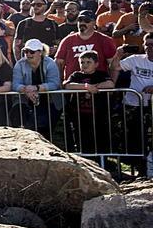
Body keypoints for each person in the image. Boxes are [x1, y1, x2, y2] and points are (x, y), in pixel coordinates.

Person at [110, 33, 153, 174]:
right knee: (132, 138)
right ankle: (137, 169)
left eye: (152, 45)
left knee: (149, 139)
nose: (149, 48)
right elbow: (115, 68)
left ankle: (148, 170)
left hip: (150, 107)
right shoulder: (136, 59)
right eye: (147, 44)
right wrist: (118, 54)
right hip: (132, 106)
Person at [63, 51, 115, 155]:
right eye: (82, 62)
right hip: (79, 115)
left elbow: (110, 84)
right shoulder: (76, 75)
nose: (85, 65)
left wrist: (95, 86)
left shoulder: (101, 74)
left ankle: (102, 161)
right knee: (81, 140)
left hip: (98, 115)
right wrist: (86, 87)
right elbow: (67, 85)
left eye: (88, 62)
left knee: (100, 139)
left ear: (96, 64)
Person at [12, 39, 62, 137]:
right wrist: (26, 89)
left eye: (32, 52)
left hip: (50, 102)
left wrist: (36, 88)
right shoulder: (20, 64)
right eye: (26, 51)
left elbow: (55, 83)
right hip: (28, 101)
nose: (28, 54)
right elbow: (15, 84)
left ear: (40, 52)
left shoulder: (50, 63)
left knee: (46, 129)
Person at [55, 10, 117, 82]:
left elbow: (113, 65)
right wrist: (60, 83)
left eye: (86, 20)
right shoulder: (67, 40)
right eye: (80, 20)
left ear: (94, 23)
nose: (82, 23)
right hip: (73, 86)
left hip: (99, 85)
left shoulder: (105, 40)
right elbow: (58, 63)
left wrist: (112, 84)